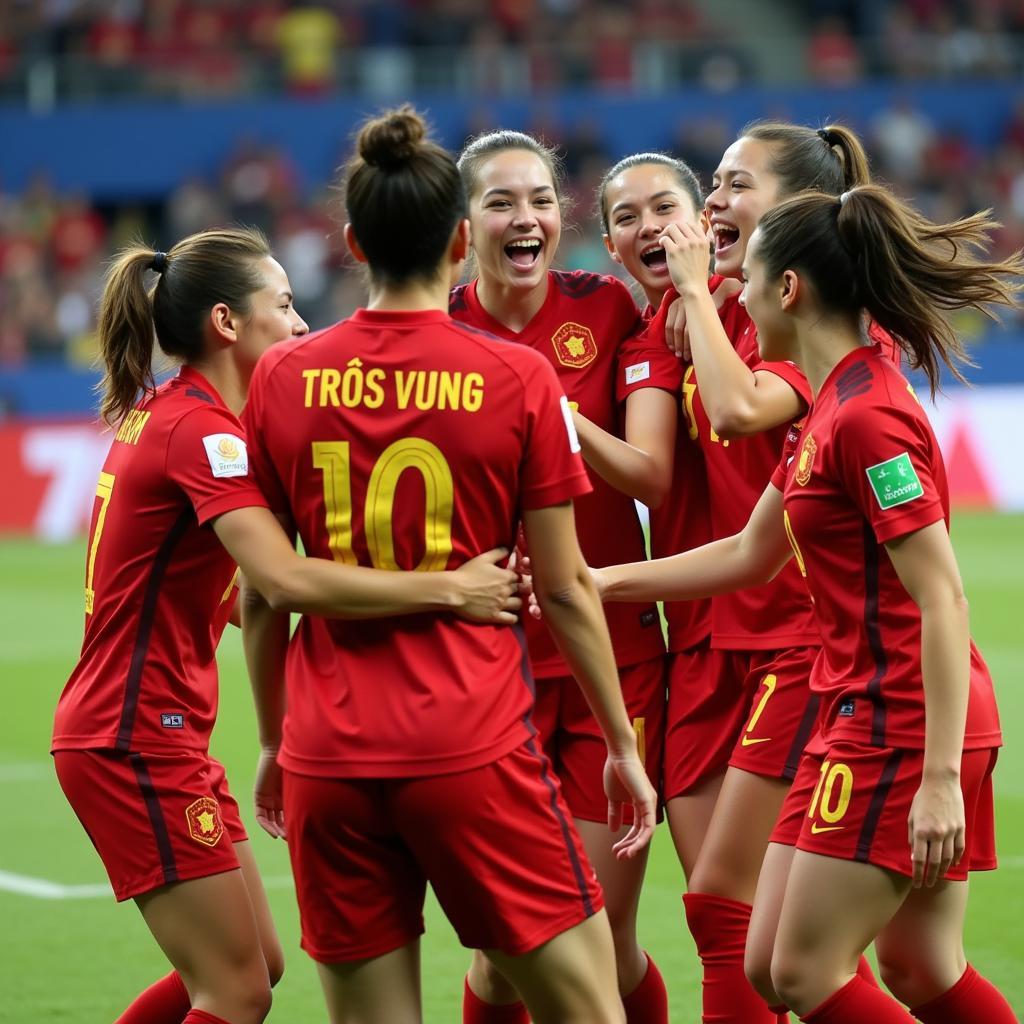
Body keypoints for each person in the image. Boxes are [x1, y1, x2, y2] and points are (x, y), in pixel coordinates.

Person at [240, 106, 656, 1024]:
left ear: (351, 240)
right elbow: (561, 585)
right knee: (589, 1010)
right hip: (468, 744)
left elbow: (263, 597)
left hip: (326, 756)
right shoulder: (516, 376)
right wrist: (621, 744)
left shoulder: (280, 376)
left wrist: (273, 740)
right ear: (463, 237)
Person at [51, 227, 523, 1024]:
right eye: (285, 304)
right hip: (129, 737)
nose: (303, 324)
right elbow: (278, 580)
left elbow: (237, 596)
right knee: (232, 991)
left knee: (256, 968)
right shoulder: (204, 434)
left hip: (148, 729)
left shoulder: (173, 415)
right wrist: (449, 590)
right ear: (228, 324)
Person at [594, 182, 1020, 1023]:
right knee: (884, 964)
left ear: (788, 290)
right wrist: (596, 584)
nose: (735, 291)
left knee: (800, 971)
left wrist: (937, 779)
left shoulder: (866, 420)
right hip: (860, 708)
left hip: (901, 721)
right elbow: (750, 555)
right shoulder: (828, 407)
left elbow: (943, 597)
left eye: (748, 276)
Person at [613, 122, 884, 1024]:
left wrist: (696, 294)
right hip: (698, 639)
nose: (711, 205)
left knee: (734, 909)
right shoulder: (671, 318)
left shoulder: (799, 313)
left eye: (727, 188)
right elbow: (656, 468)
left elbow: (734, 416)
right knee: (743, 925)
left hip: (792, 637)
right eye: (715, 187)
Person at [450, 130, 669, 1024]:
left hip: (612, 661)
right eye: (501, 202)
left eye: (540, 198)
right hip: (486, 675)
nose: (526, 216)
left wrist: (548, 404)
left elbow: (650, 473)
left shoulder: (609, 309)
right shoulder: (434, 326)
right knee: (504, 957)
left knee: (601, 946)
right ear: (464, 228)